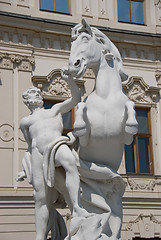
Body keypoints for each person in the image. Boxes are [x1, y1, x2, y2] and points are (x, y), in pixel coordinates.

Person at [17, 70, 88, 240]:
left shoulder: (54, 110)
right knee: (40, 198)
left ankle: (77, 208)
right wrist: (25, 171)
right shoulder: (25, 122)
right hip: (38, 154)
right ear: (27, 101)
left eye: (37, 93)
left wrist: (70, 80)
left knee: (70, 162)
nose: (35, 95)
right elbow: (29, 145)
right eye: (31, 94)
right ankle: (39, 236)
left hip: (56, 144)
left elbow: (75, 99)